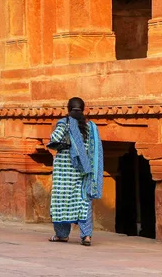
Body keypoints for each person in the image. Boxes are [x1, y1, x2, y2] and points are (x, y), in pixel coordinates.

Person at [48, 97, 103, 246]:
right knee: (83, 201)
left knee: (61, 201)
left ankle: (62, 235)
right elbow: (96, 149)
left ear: (68, 108)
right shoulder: (91, 126)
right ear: (83, 109)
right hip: (85, 170)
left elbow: (54, 139)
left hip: (65, 169)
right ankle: (86, 236)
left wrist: (64, 145)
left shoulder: (65, 123)